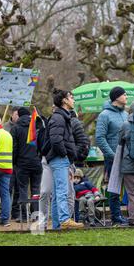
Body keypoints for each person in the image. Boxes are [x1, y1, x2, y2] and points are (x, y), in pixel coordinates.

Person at [45, 89, 83, 229]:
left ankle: (57, 225)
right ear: (64, 101)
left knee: (57, 193)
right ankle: (65, 220)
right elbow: (56, 140)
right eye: (71, 97)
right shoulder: (59, 117)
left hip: (58, 159)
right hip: (59, 159)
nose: (73, 99)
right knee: (62, 190)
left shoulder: (61, 116)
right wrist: (64, 154)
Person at [95, 86, 129, 226]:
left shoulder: (126, 114)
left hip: (128, 158)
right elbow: (100, 138)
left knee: (131, 188)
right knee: (114, 189)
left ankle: (133, 215)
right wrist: (112, 155)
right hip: (113, 158)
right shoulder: (104, 115)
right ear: (116, 97)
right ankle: (116, 217)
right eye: (124, 94)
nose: (126, 97)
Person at [10, 107, 42, 221]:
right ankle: (36, 214)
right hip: (36, 163)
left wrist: (14, 162)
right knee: (36, 189)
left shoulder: (15, 128)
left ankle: (24, 216)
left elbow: (14, 148)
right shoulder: (36, 127)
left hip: (22, 164)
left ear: (18, 115)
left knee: (22, 189)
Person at [3, 106, 21, 221]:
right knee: (7, 188)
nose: (18, 117)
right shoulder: (4, 127)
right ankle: (5, 211)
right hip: (7, 162)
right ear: (12, 114)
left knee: (18, 189)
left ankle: (16, 212)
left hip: (19, 163)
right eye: (16, 115)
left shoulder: (23, 127)